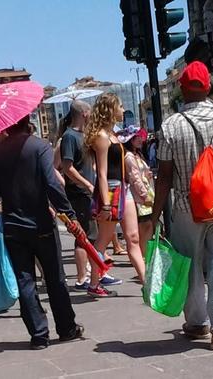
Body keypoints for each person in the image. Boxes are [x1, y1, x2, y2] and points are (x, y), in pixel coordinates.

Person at [151, 61, 213, 350]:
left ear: (181, 89)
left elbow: (164, 178)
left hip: (185, 206)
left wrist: (154, 216)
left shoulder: (170, 126)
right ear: (208, 87)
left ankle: (197, 323)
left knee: (190, 266)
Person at [0, 115, 84, 350]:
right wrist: (68, 213)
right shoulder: (39, 146)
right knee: (54, 277)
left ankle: (39, 334)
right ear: (28, 120)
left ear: (8, 124)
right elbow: (51, 183)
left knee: (25, 280)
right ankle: (66, 327)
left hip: (13, 226)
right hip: (40, 223)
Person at [84, 93, 146, 297]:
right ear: (110, 109)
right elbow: (101, 172)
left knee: (133, 237)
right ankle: (93, 284)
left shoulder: (112, 134)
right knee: (102, 241)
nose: (122, 109)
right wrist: (106, 203)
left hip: (122, 187)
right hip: (110, 189)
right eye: (119, 106)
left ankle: (147, 283)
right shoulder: (102, 137)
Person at [61, 100, 111, 291]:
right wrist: (87, 183)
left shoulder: (82, 136)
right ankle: (85, 279)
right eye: (90, 111)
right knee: (86, 236)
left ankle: (94, 276)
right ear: (83, 113)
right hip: (79, 193)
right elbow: (67, 167)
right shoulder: (69, 137)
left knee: (92, 234)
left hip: (87, 192)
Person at [119, 125, 154, 256]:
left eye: (140, 137)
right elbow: (135, 179)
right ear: (130, 140)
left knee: (147, 227)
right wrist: (145, 196)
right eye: (136, 137)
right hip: (139, 197)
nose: (140, 139)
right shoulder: (129, 156)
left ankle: (144, 255)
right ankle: (143, 256)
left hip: (144, 193)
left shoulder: (137, 154)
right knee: (144, 228)